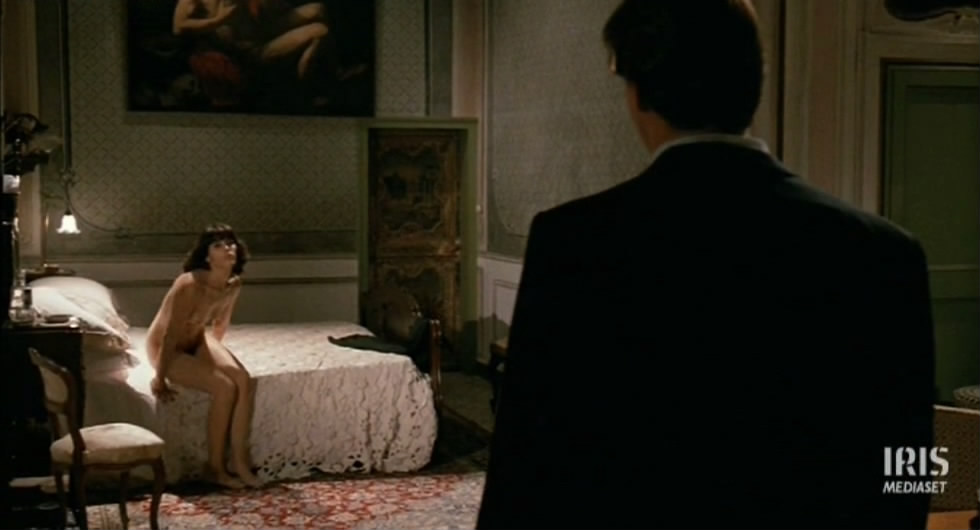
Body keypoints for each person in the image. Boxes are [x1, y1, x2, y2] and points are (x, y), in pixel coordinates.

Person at [477, 1, 936, 528]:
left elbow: (527, 462)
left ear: (637, 94)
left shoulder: (574, 243)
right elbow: (908, 464)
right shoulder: (883, 252)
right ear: (755, 83)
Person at [146, 223, 262, 489]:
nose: (227, 248)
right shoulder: (189, 283)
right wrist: (160, 377)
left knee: (242, 379)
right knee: (224, 387)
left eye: (230, 243)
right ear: (207, 256)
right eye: (218, 245)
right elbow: (170, 335)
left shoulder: (233, 283)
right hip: (166, 347)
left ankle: (240, 463)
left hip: (197, 338)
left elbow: (221, 324)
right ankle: (215, 468)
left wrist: (211, 358)